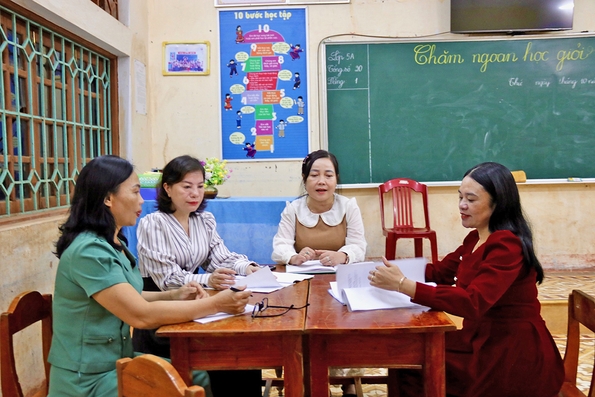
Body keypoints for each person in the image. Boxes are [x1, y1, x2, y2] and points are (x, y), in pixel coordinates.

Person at [48, 155, 250, 397]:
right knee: (183, 386)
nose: (142, 200)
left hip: (117, 359)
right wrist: (216, 303)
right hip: (88, 377)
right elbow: (140, 315)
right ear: (107, 198)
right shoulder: (89, 252)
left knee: (198, 376)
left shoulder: (112, 242)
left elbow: (130, 295)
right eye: (135, 192)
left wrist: (175, 295)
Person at [369, 162, 564, 397]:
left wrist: (403, 285)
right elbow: (438, 273)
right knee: (406, 355)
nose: (462, 206)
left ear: (498, 202)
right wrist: (380, 272)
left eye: (471, 200)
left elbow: (473, 302)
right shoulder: (475, 238)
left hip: (510, 352)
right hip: (479, 339)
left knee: (412, 363)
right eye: (460, 197)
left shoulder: (507, 245)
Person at [133, 154, 263, 396]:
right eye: (186, 187)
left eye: (200, 187)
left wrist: (249, 268)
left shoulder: (204, 220)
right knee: (225, 356)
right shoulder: (153, 223)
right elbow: (167, 278)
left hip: (193, 306)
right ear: (168, 188)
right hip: (162, 314)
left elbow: (220, 257)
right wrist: (208, 279)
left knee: (243, 351)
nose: (195, 193)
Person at [271, 149, 367, 397]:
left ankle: (346, 381)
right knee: (297, 326)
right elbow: (280, 244)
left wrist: (342, 255)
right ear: (305, 179)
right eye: (314, 175)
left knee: (344, 327)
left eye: (328, 175)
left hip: (340, 282)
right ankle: (298, 377)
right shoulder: (293, 209)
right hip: (300, 282)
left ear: (336, 179)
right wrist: (293, 256)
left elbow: (359, 245)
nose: (321, 181)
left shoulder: (348, 207)